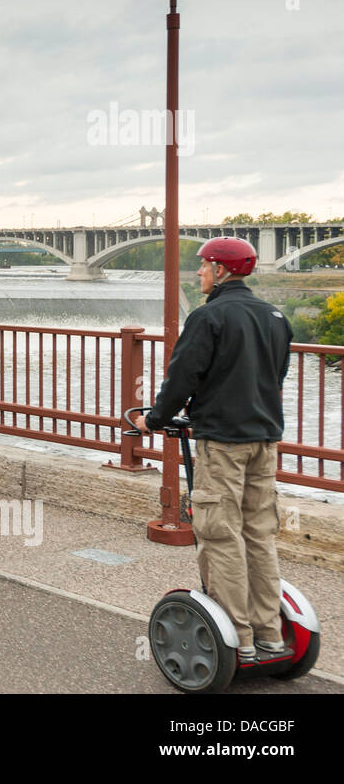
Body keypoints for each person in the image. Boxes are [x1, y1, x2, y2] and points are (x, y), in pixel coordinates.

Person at [132, 236, 293, 662]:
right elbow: (274, 377)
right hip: (265, 439)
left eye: (203, 266)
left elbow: (182, 378)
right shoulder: (274, 316)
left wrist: (154, 420)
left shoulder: (209, 317)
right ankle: (271, 634)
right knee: (259, 534)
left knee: (219, 534)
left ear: (221, 271)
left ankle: (237, 640)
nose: (199, 273)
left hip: (223, 443)